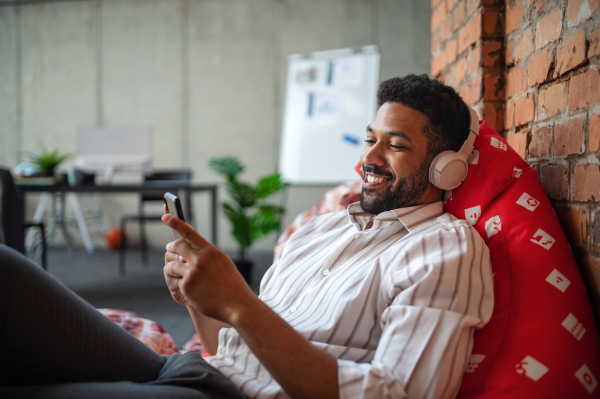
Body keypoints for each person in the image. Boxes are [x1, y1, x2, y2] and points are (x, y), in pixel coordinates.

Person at [0, 74, 493, 399]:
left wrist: (237, 302)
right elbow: (228, 345)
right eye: (370, 139)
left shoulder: (445, 247)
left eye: (396, 145)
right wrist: (197, 298)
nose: (370, 157)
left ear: (444, 169)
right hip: (192, 371)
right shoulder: (321, 228)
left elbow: (400, 394)